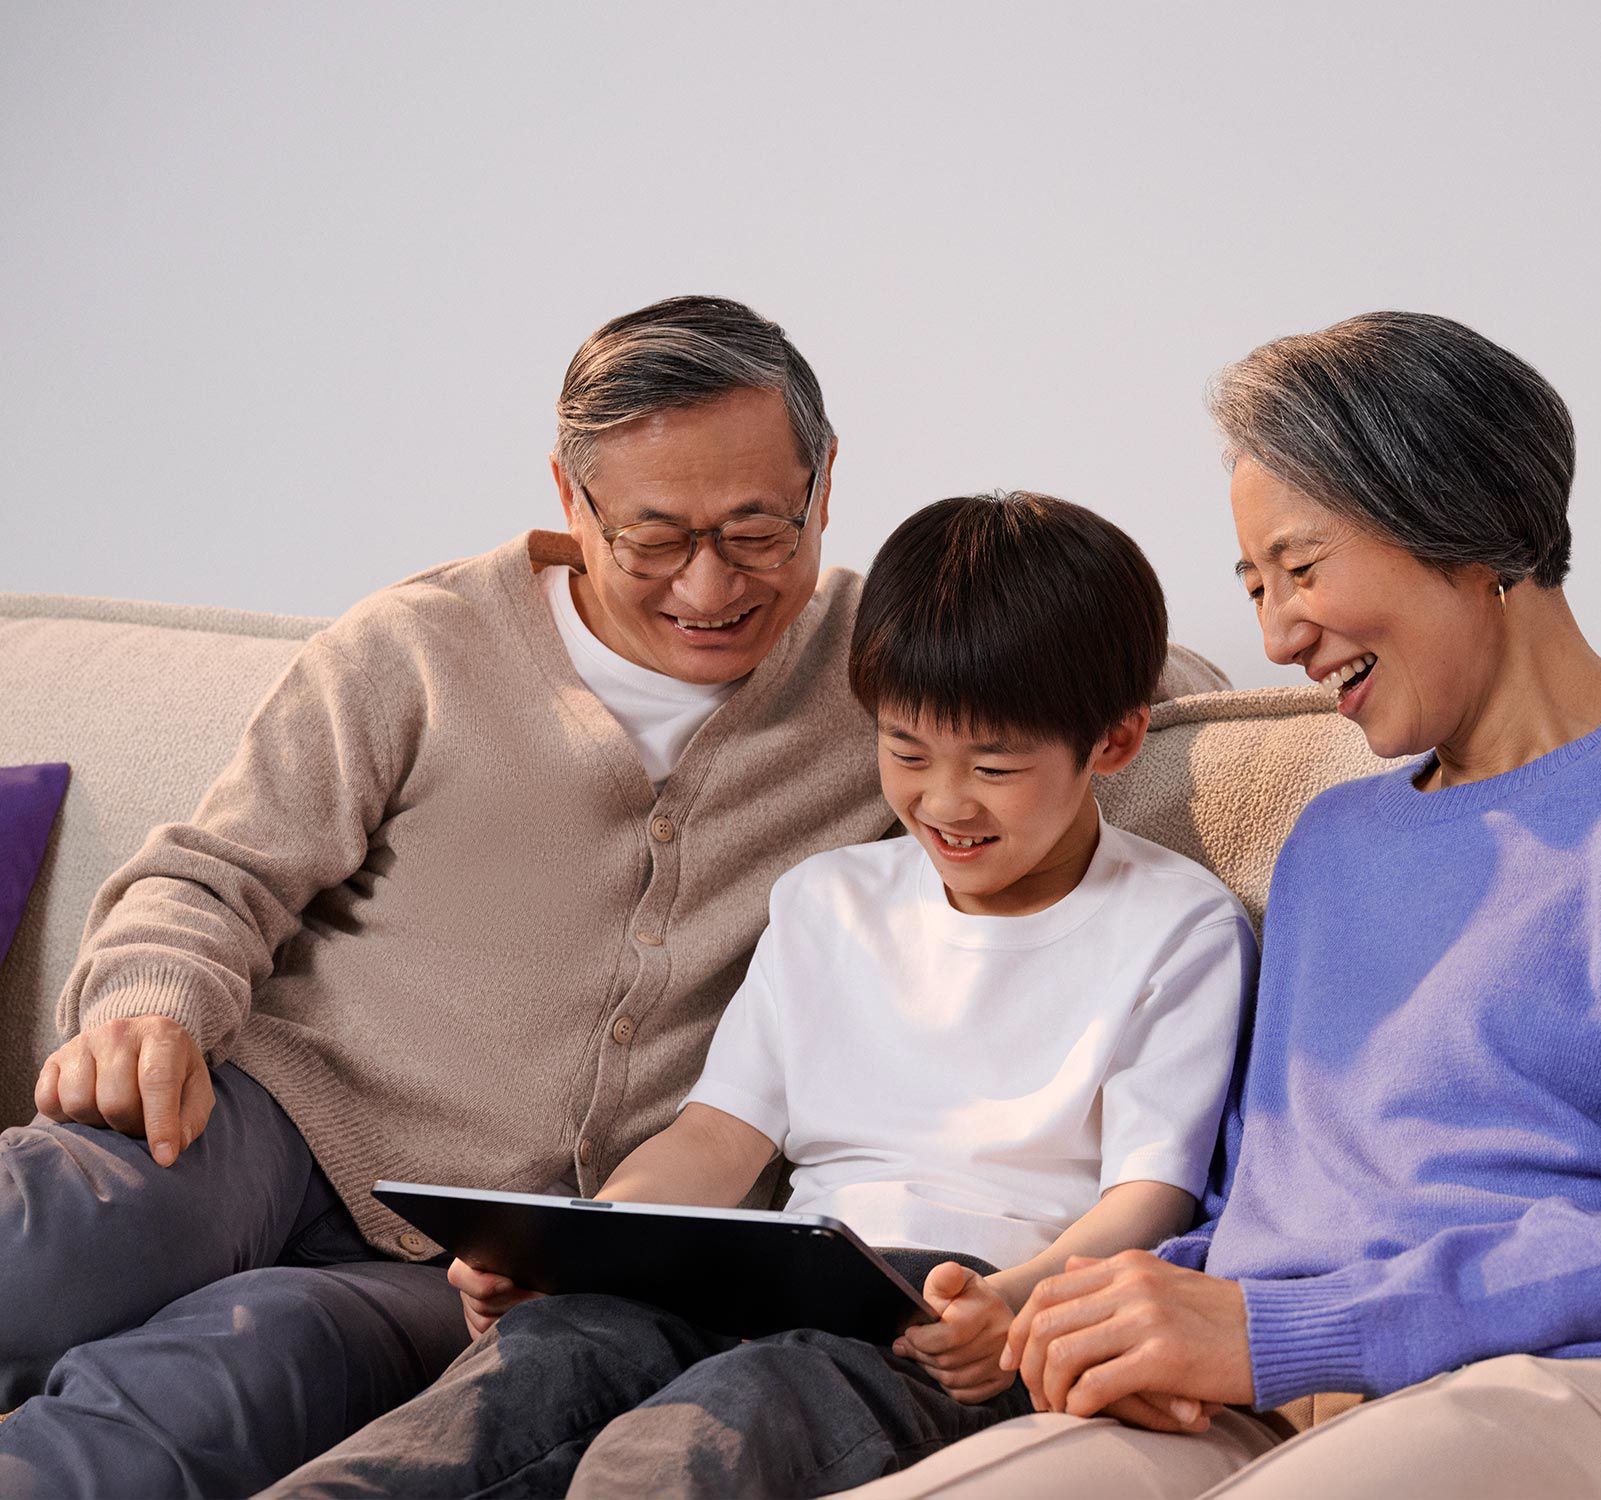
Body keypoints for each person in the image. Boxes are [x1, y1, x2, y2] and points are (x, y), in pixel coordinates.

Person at [0, 295, 1231, 1499]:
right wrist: (147, 1004)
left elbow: (1077, 689)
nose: (710, 589)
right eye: (655, 540)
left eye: (759, 533)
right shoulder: (418, 648)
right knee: (46, 1245)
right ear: (569, 498)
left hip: (488, 1257)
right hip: (271, 1120)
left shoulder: (879, 662)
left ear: (824, 486)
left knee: (210, 1390)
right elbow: (214, 872)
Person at [852, 313, 1601, 1500]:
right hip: (1297, 1397)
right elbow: (1271, 1217)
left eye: (1298, 567)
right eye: (1252, 585)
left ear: (1459, 525)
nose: (1278, 634)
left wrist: (1284, 1329)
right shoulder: (1330, 843)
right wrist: (1137, 1316)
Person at [262, 491, 1258, 1500]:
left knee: (694, 1444)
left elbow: (1149, 1196)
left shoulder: (1177, 928)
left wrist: (1012, 1309)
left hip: (959, 1319)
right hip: (786, 1272)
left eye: (993, 767)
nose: (944, 802)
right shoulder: (830, 901)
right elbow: (716, 1140)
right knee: (537, 1367)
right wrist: (592, 1244)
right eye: (905, 751)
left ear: (1115, 744)